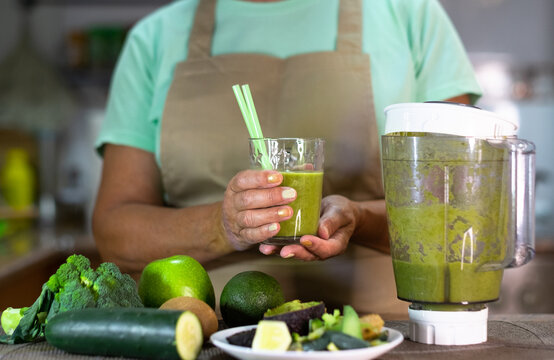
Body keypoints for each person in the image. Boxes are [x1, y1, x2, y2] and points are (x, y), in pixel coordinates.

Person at [92, 0, 481, 314]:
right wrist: (223, 225)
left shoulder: (410, 14)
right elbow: (114, 230)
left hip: (386, 330)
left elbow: (458, 214)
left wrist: (359, 219)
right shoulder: (155, 38)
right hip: (211, 331)